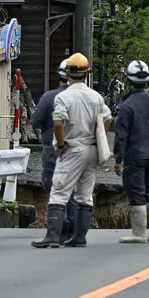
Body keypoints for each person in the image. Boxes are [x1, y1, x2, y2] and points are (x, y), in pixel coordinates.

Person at [32, 53, 113, 249]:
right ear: (86, 74)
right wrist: (99, 137)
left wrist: (61, 144)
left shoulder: (63, 96)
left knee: (59, 191)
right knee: (85, 194)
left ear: (67, 74)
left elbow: (58, 123)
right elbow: (107, 120)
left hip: (72, 148)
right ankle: (79, 237)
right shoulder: (96, 97)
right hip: (92, 148)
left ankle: (53, 236)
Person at [113, 60, 149, 244]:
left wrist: (118, 159)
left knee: (136, 192)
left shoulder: (127, 106)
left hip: (135, 155)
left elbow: (121, 136)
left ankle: (139, 233)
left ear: (129, 80)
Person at [31, 59, 78, 239]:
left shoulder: (49, 97)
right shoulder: (84, 97)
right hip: (76, 148)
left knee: (53, 187)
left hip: (51, 148)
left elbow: (35, 121)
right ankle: (73, 231)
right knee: (72, 188)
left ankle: (57, 229)